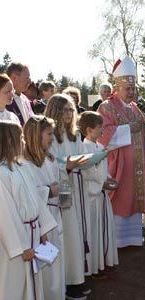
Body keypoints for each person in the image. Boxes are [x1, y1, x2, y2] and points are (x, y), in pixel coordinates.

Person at [98, 56, 145, 248]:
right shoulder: (105, 107)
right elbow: (103, 135)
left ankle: (133, 237)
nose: (131, 92)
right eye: (127, 88)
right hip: (118, 164)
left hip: (137, 165)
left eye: (133, 88)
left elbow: (142, 130)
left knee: (134, 199)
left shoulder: (134, 107)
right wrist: (129, 128)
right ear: (117, 87)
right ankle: (117, 240)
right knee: (121, 198)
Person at [0, 121, 57, 300]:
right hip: (17, 242)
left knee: (33, 282)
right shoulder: (1, 174)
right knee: (15, 285)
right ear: (9, 142)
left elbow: (37, 200)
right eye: (20, 139)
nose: (24, 142)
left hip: (32, 232)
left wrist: (43, 229)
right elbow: (5, 214)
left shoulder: (20, 167)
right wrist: (21, 246)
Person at [45, 94, 91, 299]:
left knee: (77, 230)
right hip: (62, 187)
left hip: (76, 185)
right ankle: (69, 282)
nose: (69, 113)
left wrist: (86, 160)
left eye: (72, 109)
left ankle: (77, 277)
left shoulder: (75, 134)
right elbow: (50, 163)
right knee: (68, 233)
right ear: (55, 110)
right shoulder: (50, 136)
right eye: (65, 110)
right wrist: (67, 165)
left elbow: (81, 156)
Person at [23, 116, 65, 300]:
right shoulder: (25, 163)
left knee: (56, 264)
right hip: (42, 222)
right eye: (49, 134)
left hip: (54, 214)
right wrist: (48, 190)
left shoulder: (48, 158)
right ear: (35, 135)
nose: (52, 138)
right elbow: (28, 194)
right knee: (47, 271)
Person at [79, 111, 118, 275]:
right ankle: (94, 266)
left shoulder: (100, 147)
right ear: (88, 129)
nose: (102, 131)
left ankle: (105, 260)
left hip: (102, 195)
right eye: (99, 128)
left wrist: (109, 179)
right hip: (92, 197)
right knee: (94, 231)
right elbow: (86, 172)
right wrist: (101, 184)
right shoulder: (83, 147)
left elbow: (103, 169)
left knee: (104, 229)